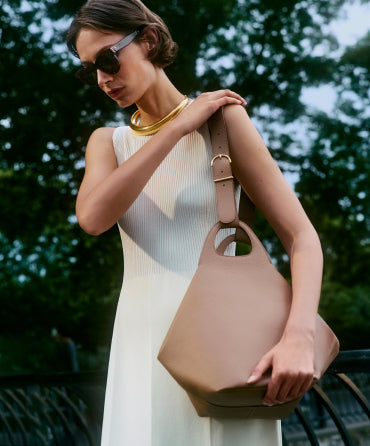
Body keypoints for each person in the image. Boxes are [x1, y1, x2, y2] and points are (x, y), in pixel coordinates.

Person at [66, 1, 323, 444]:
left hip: (226, 343)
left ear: (148, 40)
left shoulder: (224, 122)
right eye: (89, 69)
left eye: (108, 58)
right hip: (140, 345)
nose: (102, 78)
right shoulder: (108, 143)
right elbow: (92, 218)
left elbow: (302, 237)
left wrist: (299, 336)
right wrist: (176, 128)